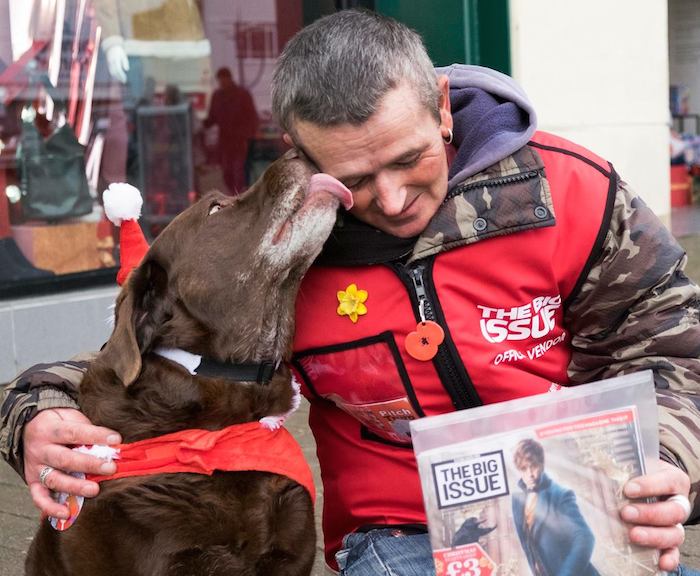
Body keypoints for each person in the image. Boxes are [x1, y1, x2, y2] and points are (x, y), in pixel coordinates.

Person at [1, 9, 699, 576]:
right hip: (402, 538)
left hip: (582, 509)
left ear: (443, 111)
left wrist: (669, 464)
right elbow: (143, 365)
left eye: (408, 159)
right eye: (357, 178)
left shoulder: (572, 191)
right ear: (300, 150)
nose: (392, 200)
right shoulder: (285, 261)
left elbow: (675, 349)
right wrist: (32, 415)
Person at [511, 439, 599, 576]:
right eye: (523, 468)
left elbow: (585, 537)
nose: (530, 474)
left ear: (541, 464)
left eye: (533, 466)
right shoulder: (518, 502)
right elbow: (530, 545)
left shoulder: (560, 495)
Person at [202, 67, 260, 194]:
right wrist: (200, 125)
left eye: (223, 79)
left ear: (229, 78)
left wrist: (249, 136)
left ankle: (238, 197)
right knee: (226, 172)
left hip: (239, 141)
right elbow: (212, 117)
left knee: (238, 172)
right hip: (224, 142)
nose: (222, 82)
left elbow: (252, 116)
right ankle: (234, 194)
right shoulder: (217, 96)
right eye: (220, 80)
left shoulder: (242, 94)